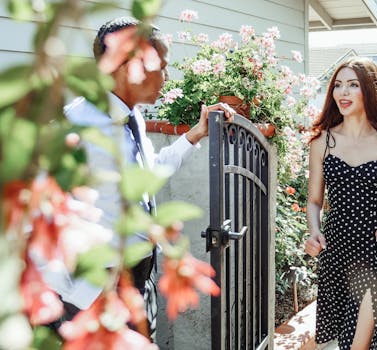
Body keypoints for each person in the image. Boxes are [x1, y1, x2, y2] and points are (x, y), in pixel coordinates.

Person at [40, 17, 235, 338]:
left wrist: (195, 135)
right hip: (93, 294)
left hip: (137, 282)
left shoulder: (132, 118)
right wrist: (80, 297)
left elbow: (148, 174)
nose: (167, 76)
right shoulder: (76, 125)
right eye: (162, 66)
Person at [304, 57, 377, 349]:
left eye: (353, 85)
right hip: (336, 249)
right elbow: (314, 200)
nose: (343, 93)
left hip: (375, 251)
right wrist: (314, 230)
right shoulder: (322, 141)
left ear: (370, 90)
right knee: (343, 339)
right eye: (338, 86)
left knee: (358, 344)